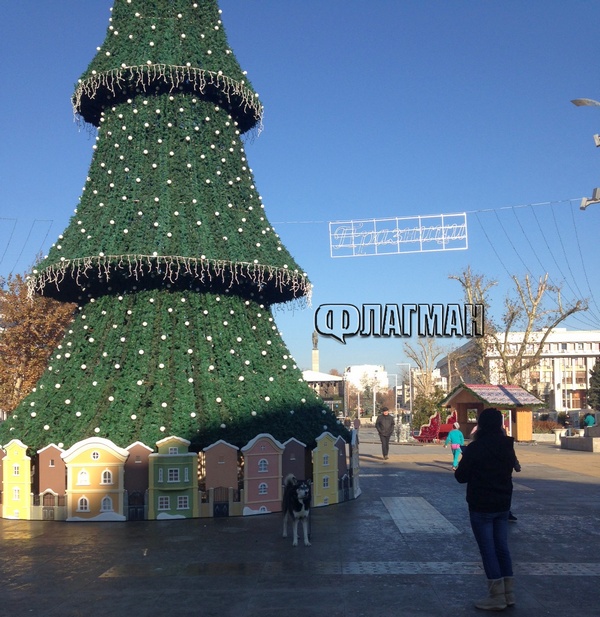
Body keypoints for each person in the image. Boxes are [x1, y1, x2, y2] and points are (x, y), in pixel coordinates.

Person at [455, 408, 517, 611]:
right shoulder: (507, 445)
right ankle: (509, 593)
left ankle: (496, 596)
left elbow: (461, 476)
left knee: (488, 549)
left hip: (481, 505)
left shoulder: (475, 448)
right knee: (502, 547)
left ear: (481, 425)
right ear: (499, 424)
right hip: (503, 504)